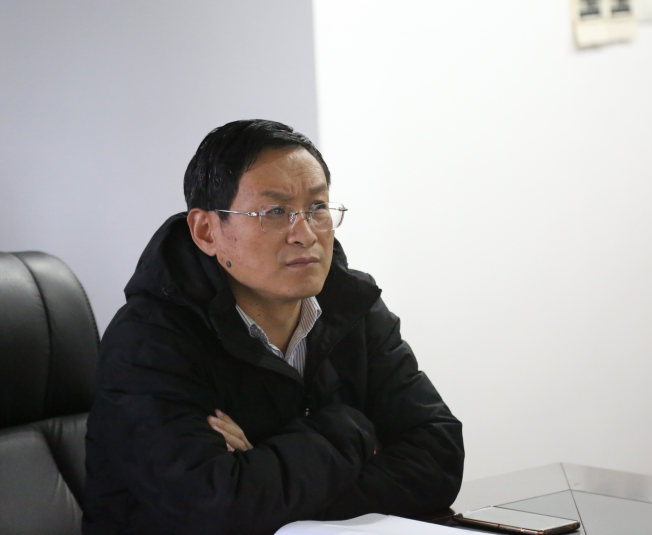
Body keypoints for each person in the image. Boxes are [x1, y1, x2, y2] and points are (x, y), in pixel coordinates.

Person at [83, 119, 464, 535]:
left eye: (317, 208)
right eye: (275, 212)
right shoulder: (149, 339)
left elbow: (439, 459)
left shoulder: (353, 305)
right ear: (206, 231)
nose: (304, 234)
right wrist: (354, 431)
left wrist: (265, 474)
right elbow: (217, 510)